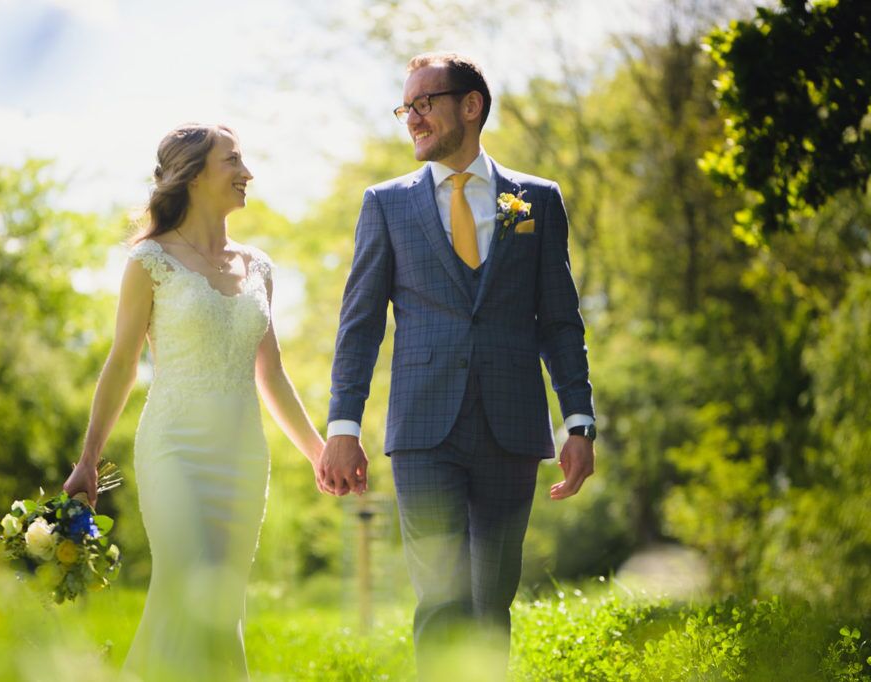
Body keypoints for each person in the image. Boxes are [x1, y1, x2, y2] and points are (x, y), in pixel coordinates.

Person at [319, 53, 597, 678]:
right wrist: (343, 427)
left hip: (512, 426)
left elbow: (558, 319)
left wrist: (578, 420)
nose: (411, 117)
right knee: (441, 595)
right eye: (405, 107)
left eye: (424, 103)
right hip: (424, 430)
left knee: (489, 598)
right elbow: (360, 323)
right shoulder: (386, 205)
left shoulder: (533, 202)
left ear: (470, 106)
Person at [63, 123, 327, 681]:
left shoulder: (259, 267)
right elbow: (121, 364)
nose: (246, 173)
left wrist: (318, 451)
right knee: (183, 587)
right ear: (195, 174)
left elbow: (271, 373)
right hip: (174, 450)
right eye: (233, 161)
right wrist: (88, 458)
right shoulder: (149, 260)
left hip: (242, 459)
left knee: (220, 608)